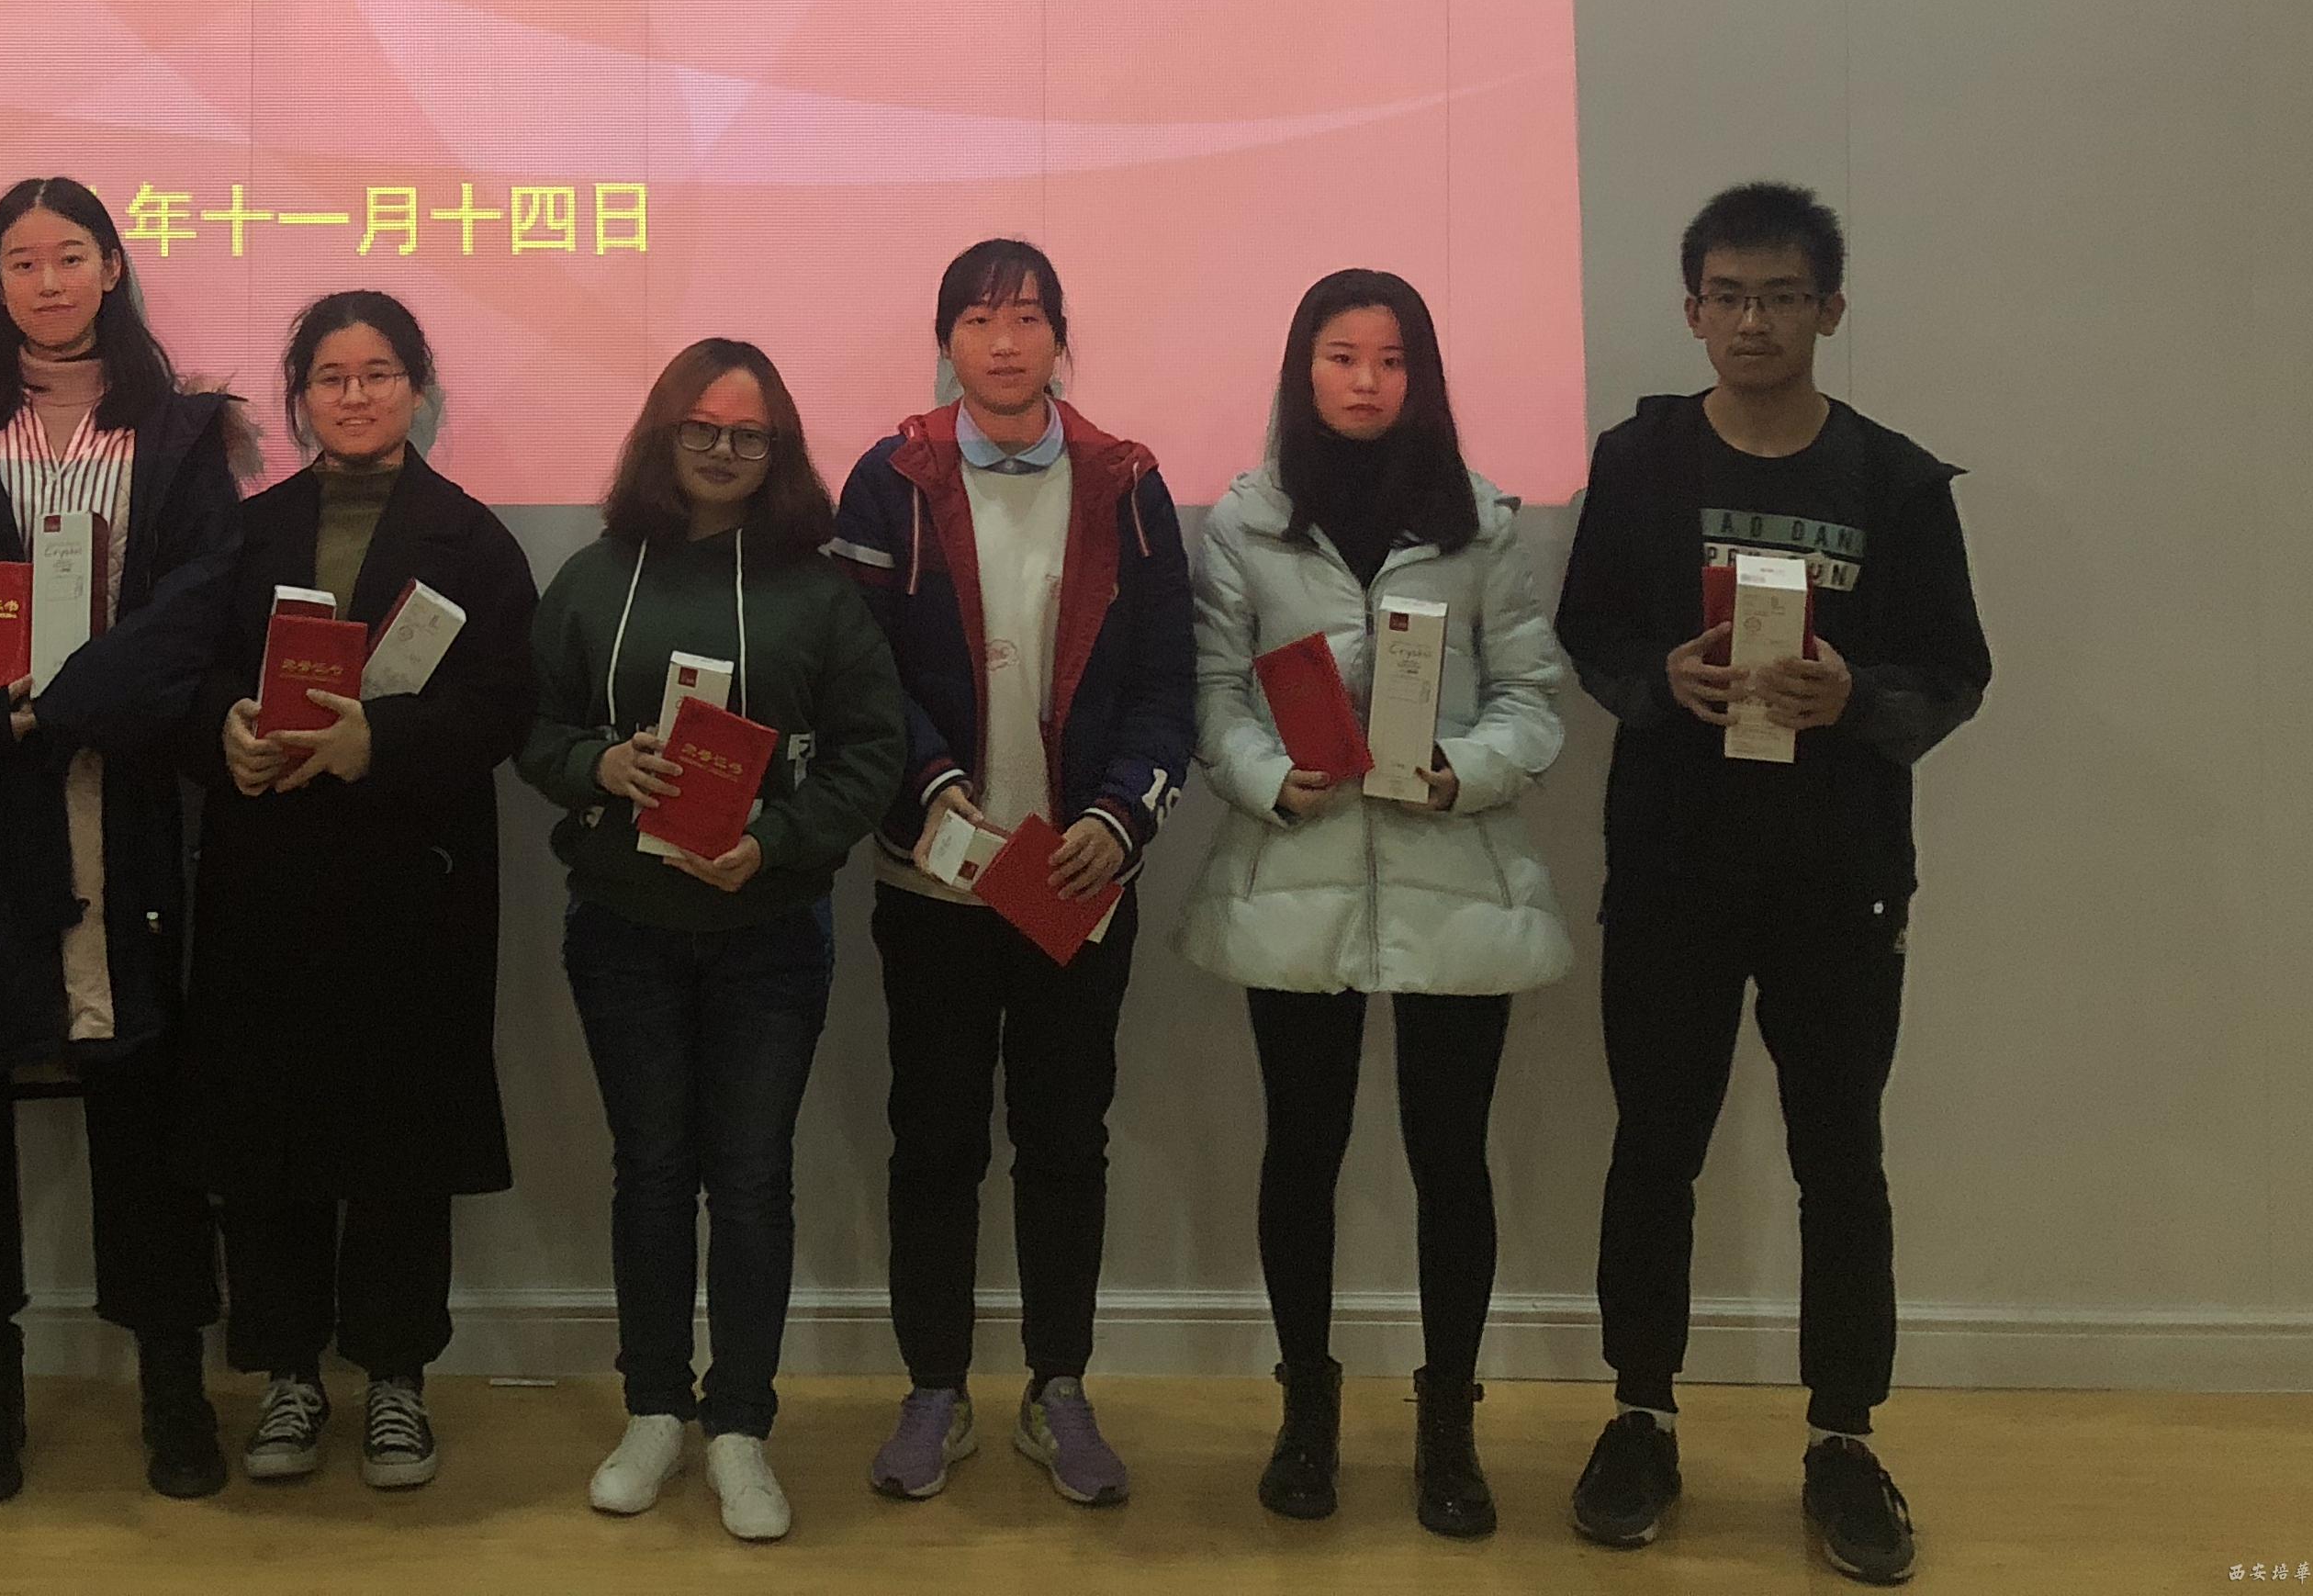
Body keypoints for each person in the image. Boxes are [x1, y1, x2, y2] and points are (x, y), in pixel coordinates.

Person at [1557, 183, 1989, 1588]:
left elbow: (1956, 673)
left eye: (1783, 296)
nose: (1755, 321)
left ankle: (1844, 1439)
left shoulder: (1894, 482)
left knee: (1840, 1160)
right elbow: (1589, 631)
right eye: (1731, 296)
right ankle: (1641, 1415)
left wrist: (1855, 695)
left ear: (1830, 311)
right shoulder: (1639, 463)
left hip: (1839, 879)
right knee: (1654, 1149)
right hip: (1673, 868)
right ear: (1693, 310)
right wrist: (1660, 678)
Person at [0, 175, 245, 1504]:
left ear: (114, 266)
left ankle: (173, 1381)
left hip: (120, 797)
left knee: (145, 1100)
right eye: (22, 262)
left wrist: (69, 703)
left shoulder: (178, 434)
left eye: (71, 256)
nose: (49, 281)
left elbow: (199, 603)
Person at [1173, 267, 1573, 1536]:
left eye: (1391, 361)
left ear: (1423, 377)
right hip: (1299, 873)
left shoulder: (1482, 523)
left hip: (1454, 880)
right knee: (1303, 1153)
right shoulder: (1246, 523)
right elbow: (1214, 696)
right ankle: (1307, 1413)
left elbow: (1533, 703)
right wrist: (1265, 778)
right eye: (1341, 357)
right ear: (1303, 371)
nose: (1365, 381)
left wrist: (1460, 772)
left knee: (1452, 1159)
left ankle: (1448, 1422)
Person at [517, 338, 905, 1545]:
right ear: (663, 434)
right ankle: (653, 1409)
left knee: (749, 1179)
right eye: (703, 428)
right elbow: (533, 729)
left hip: (769, 932)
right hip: (622, 928)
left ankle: (740, 1422)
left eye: (749, 434)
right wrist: (600, 766)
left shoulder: (819, 594)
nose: (725, 450)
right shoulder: (592, 580)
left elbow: (872, 754)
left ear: (778, 449)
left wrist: (775, 842)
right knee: (649, 1171)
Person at [831, 239, 1196, 1511]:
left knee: (1064, 1140)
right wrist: (930, 785)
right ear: (947, 340)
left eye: (1028, 318)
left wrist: (1122, 815)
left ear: (1059, 339)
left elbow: (1167, 685)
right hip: (935, 878)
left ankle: (1058, 1387)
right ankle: (935, 1388)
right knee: (933, 1139)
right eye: (980, 319)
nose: (1004, 341)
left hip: (1076, 878)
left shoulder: (1126, 483)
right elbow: (858, 672)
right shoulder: (890, 480)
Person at [177, 291, 541, 1491]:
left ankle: (395, 1376)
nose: (355, 395)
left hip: (411, 884)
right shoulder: (247, 531)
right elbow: (196, 670)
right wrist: (223, 730)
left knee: (400, 1142)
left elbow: (504, 707)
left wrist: (377, 741)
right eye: (330, 378)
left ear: (416, 389)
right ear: (300, 400)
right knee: (268, 1135)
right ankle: (287, 1372)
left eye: (379, 373)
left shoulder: (473, 540)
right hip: (266, 872)